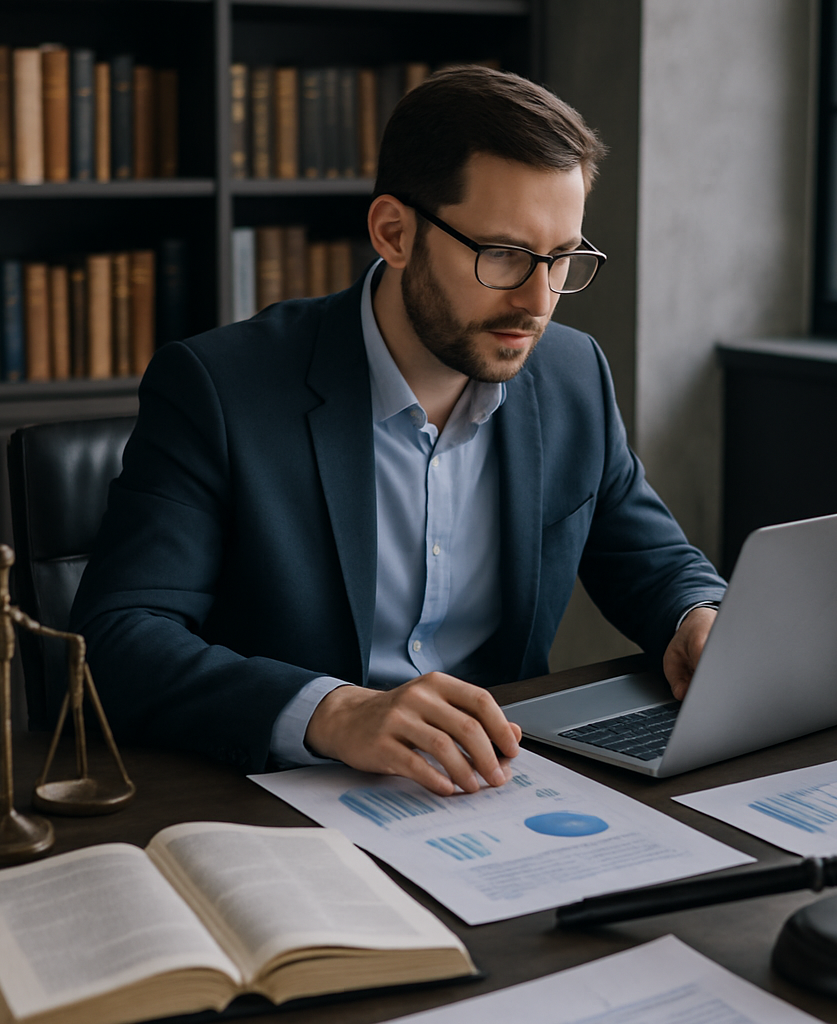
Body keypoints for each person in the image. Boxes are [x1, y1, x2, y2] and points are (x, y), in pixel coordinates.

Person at [70, 66, 726, 795]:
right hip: (290, 796)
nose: (539, 301)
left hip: (500, 788)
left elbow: (653, 559)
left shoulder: (572, 375)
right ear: (394, 233)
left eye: (563, 258)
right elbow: (119, 641)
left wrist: (698, 617)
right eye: (504, 255)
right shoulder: (220, 388)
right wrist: (335, 711)